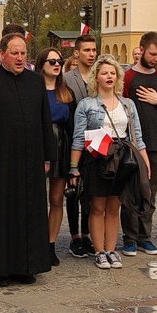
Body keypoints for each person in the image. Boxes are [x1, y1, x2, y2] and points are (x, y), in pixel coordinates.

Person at [0, 33, 55, 286]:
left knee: (30, 213)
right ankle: (1, 269)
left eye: (23, 53)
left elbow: (45, 121)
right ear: (2, 54)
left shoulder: (35, 81)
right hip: (2, 164)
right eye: (15, 53)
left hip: (31, 162)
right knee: (2, 214)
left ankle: (27, 265)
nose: (20, 58)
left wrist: (47, 157)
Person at [70, 55, 150, 270]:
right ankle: (99, 251)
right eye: (104, 73)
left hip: (121, 160)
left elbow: (137, 137)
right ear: (97, 77)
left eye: (112, 73)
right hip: (97, 159)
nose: (109, 76)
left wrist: (145, 163)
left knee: (114, 206)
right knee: (97, 207)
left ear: (118, 77)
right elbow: (78, 138)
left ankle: (112, 249)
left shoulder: (128, 104)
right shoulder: (86, 104)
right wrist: (73, 168)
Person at [121, 32, 157, 256]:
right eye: (152, 53)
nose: (155, 58)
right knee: (130, 193)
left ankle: (145, 237)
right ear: (141, 50)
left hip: (154, 144)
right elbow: (120, 105)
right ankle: (130, 238)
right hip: (131, 144)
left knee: (149, 193)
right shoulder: (128, 77)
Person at [37, 46, 74, 266]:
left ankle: (50, 244)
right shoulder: (33, 89)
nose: (57, 64)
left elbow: (72, 126)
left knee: (57, 199)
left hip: (61, 145)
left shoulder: (66, 92)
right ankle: (36, 241)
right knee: (36, 198)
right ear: (42, 64)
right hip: (39, 144)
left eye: (59, 61)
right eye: (52, 61)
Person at [63, 34, 98, 257]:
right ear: (77, 53)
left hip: (96, 141)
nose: (91, 54)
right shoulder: (67, 78)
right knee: (73, 190)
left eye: (94, 50)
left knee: (92, 190)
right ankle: (75, 236)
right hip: (72, 139)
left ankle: (87, 233)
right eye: (86, 50)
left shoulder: (100, 75)